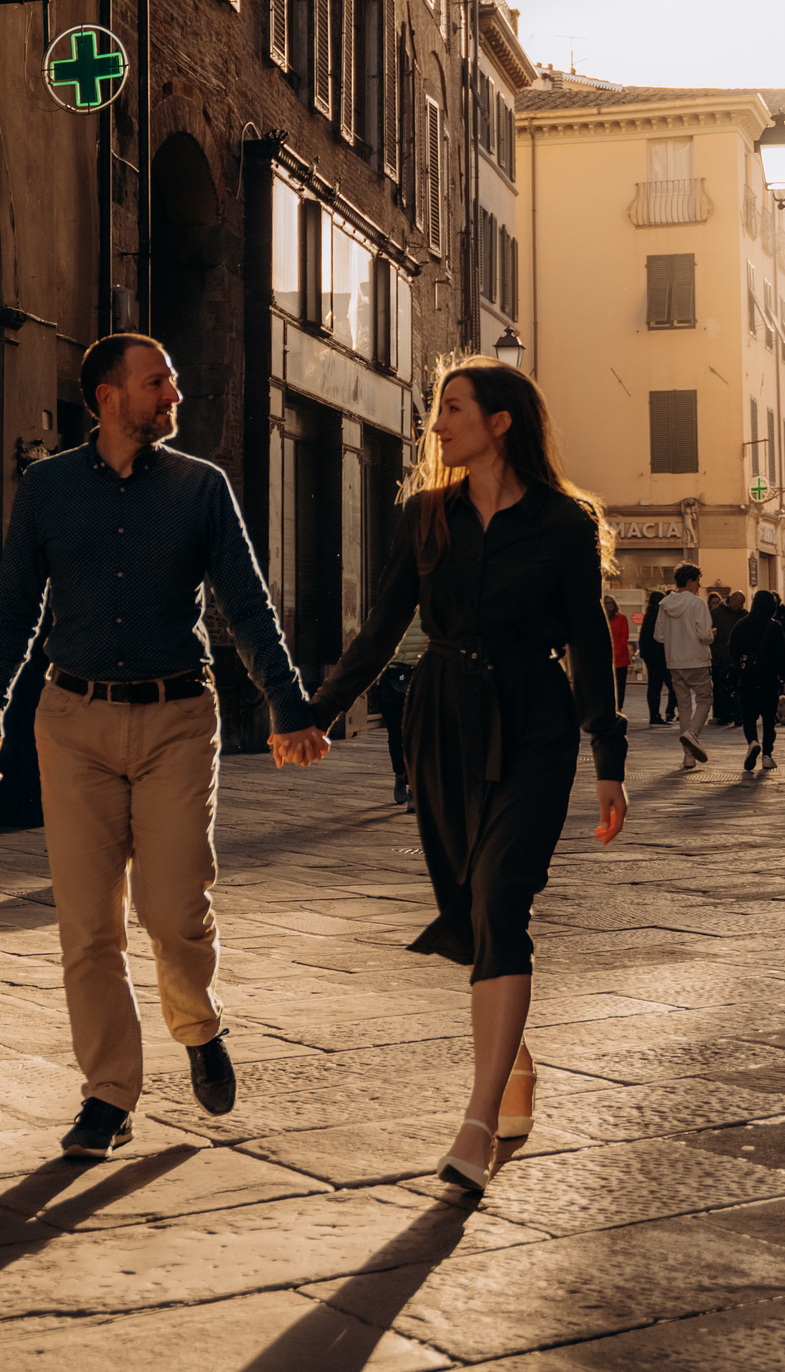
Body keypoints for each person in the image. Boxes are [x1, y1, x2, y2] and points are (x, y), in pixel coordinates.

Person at [0, 333, 330, 1162]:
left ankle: (197, 1024)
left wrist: (287, 702)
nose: (173, 393)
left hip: (174, 718)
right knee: (88, 926)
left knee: (173, 908)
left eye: (172, 380)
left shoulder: (202, 488)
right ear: (107, 396)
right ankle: (108, 1094)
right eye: (156, 381)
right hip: (73, 719)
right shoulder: (48, 487)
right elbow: (14, 603)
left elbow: (246, 601)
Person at [310, 356, 629, 1199]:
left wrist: (609, 760)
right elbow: (380, 630)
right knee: (469, 903)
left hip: (534, 720)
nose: (438, 423)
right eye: (438, 410)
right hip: (443, 723)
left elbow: (589, 645)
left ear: (500, 422)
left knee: (499, 896)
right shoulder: (425, 517)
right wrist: (316, 710)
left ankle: (477, 1121)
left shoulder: (563, 524)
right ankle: (513, 1059)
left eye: (454, 408)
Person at [725, 590, 785, 773]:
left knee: (749, 715)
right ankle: (767, 756)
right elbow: (782, 654)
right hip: (769, 679)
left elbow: (732, 649)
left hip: (747, 678)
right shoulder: (775, 626)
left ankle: (752, 742)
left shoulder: (742, 624)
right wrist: (782, 675)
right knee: (768, 719)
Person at [654, 563, 714, 771]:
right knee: (705, 698)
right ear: (690, 581)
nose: (699, 584)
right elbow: (704, 635)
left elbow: (659, 636)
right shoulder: (698, 604)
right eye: (698, 580)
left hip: (674, 661)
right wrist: (712, 634)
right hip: (696, 659)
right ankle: (692, 734)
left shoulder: (664, 604)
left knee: (684, 705)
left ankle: (688, 757)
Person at [366, 658, 416, 808]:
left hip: (419, 676)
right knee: (395, 735)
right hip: (391, 678)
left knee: (417, 737)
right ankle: (400, 774)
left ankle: (414, 789)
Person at [711, 590, 747, 737]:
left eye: (741, 604)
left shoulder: (744, 615)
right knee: (721, 688)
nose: (739, 606)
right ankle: (724, 715)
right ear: (731, 600)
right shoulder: (716, 613)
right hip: (720, 658)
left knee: (738, 688)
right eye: (737, 603)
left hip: (736, 658)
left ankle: (738, 715)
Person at [639, 586, 672, 725]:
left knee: (654, 685)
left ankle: (655, 714)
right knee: (656, 685)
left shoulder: (649, 615)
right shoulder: (657, 617)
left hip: (650, 655)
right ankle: (655, 715)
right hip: (658, 656)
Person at [603, 595, 632, 713]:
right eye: (607, 603)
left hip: (620, 658)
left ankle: (618, 706)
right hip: (605, 657)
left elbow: (624, 637)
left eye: (611, 603)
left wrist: (615, 654)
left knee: (620, 685)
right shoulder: (601, 619)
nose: (609, 605)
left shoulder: (621, 618)